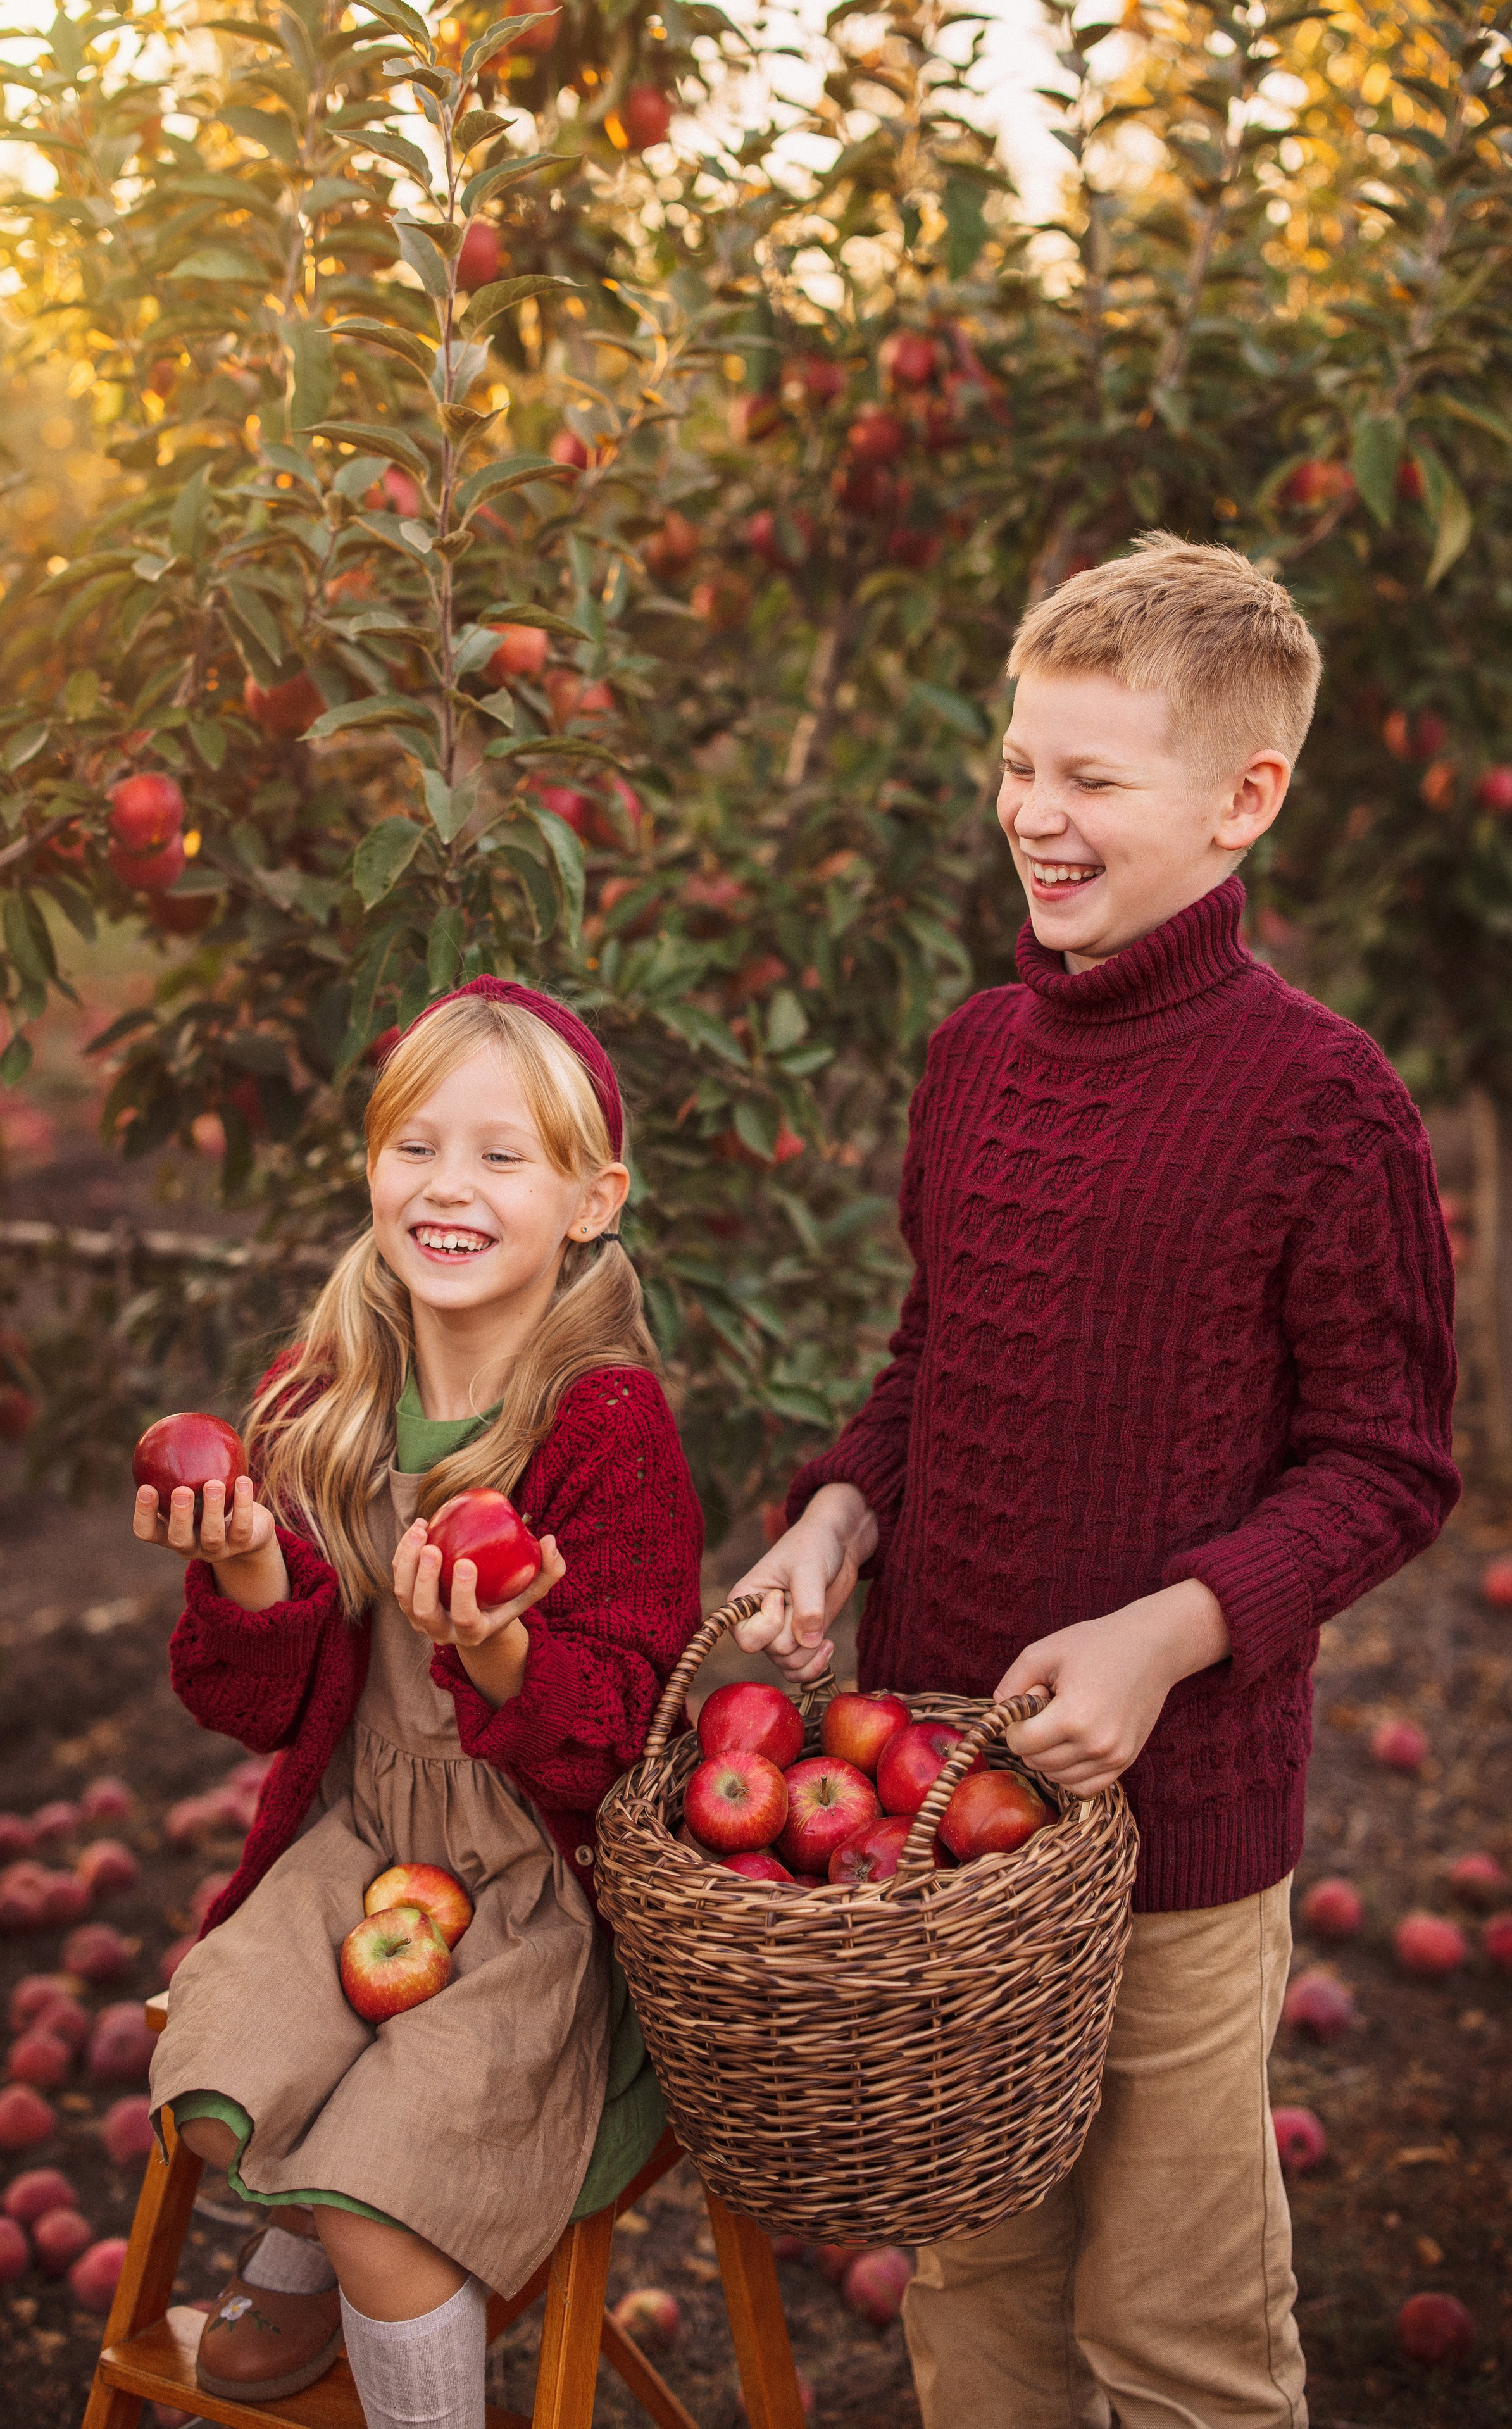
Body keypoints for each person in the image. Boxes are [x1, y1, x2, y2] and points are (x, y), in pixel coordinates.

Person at [731, 535, 1459, 2429]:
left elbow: (1388, 1464)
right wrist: (839, 1512)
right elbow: (930, 1366)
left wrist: (1166, 1633)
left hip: (1178, 1829)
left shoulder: (1326, 1099)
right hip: (933, 1798)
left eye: (1090, 779)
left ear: (1245, 800)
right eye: (1017, 765)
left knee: (1178, 2326)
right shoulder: (976, 1053)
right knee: (977, 2285)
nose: (1031, 817)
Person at [134, 978, 701, 2429]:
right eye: (415, 1147)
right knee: (210, 2088)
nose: (448, 1186)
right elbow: (258, 1704)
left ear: (591, 1199)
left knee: (387, 2211)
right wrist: (252, 1560)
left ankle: (355, 2266)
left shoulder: (602, 1423)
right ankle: (300, 2221)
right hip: (359, 1838)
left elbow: (625, 1739)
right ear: (372, 1167)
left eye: (502, 1156)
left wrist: (504, 1656)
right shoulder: (321, 1395)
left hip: (539, 1885)